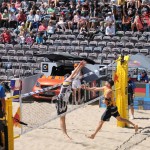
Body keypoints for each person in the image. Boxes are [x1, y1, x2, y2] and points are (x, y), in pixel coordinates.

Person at [55, 60, 86, 140]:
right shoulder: (67, 81)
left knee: (63, 119)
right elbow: (73, 74)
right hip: (60, 101)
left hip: (64, 102)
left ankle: (65, 134)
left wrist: (80, 66)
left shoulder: (69, 82)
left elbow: (74, 74)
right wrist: (80, 65)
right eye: (69, 77)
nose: (71, 77)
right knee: (62, 119)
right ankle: (65, 134)